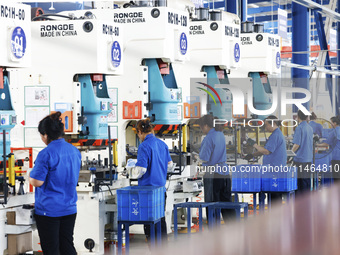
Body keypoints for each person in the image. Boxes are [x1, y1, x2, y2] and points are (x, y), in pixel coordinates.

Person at [29, 112, 81, 255]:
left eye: (41, 135)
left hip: (49, 211)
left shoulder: (46, 153)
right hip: (69, 208)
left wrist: (29, 177)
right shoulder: (74, 151)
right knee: (67, 246)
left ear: (46, 134)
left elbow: (37, 182)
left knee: (51, 249)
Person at [134, 119, 172, 243]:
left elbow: (141, 170)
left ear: (140, 131)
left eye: (137, 134)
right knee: (160, 220)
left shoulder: (144, 146)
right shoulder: (162, 144)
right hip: (161, 191)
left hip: (148, 192)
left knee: (150, 223)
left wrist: (130, 172)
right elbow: (170, 165)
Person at [197, 114, 235, 223]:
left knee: (212, 205)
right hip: (225, 173)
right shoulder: (220, 134)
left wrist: (197, 157)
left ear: (205, 125)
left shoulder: (209, 137)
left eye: (201, 127)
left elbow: (204, 158)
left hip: (213, 174)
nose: (201, 130)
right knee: (227, 204)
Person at [245, 115, 287, 203]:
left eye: (267, 125)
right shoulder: (275, 134)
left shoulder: (276, 135)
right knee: (273, 195)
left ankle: (276, 215)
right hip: (273, 170)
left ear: (273, 123)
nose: (265, 127)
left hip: (274, 170)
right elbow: (266, 149)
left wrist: (254, 144)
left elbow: (267, 151)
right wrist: (252, 154)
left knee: (275, 197)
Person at [291, 110, 313, 195]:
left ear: (298, 117)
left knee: (300, 182)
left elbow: (297, 144)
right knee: (306, 180)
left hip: (300, 159)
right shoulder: (309, 127)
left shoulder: (299, 128)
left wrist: (290, 153)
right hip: (308, 158)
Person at [317, 116, 340, 183]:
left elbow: (326, 143)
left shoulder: (334, 131)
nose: (330, 124)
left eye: (331, 122)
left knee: (337, 176)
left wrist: (316, 144)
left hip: (336, 157)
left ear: (335, 123)